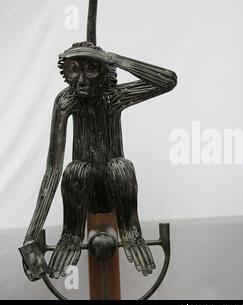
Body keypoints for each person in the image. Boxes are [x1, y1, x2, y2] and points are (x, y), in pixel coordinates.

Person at [21, 41, 177, 280]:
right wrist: (30, 238)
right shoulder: (66, 102)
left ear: (103, 72)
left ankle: (130, 231)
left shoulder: (114, 97)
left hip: (116, 188)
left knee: (120, 167)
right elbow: (53, 170)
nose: (81, 80)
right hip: (84, 192)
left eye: (91, 69)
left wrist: (113, 59)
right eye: (74, 70)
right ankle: (71, 234)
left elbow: (167, 80)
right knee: (76, 170)